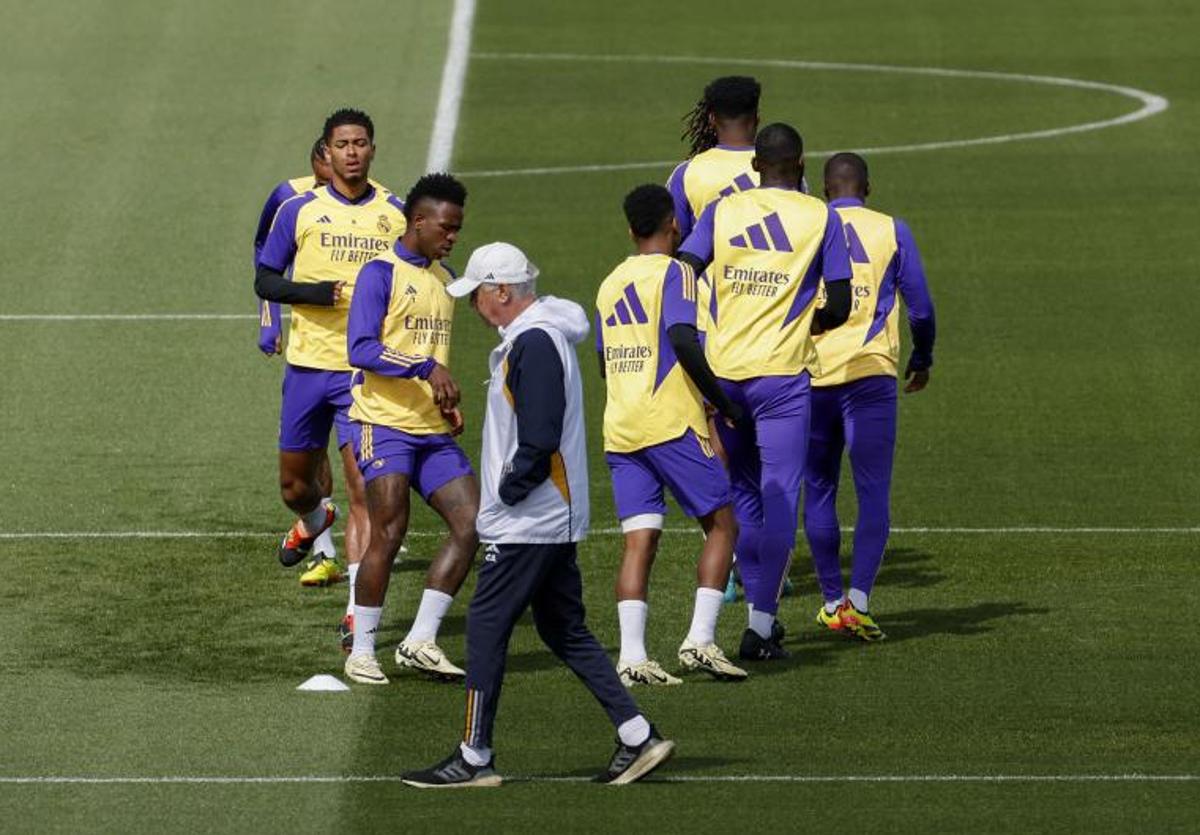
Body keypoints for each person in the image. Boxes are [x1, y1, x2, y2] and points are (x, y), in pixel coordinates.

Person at [402, 243, 673, 788]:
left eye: (478, 295)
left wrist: (506, 489)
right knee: (563, 628)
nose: (476, 307)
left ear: (501, 291)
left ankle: (474, 757)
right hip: (547, 515)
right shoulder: (537, 339)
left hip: (530, 519)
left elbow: (541, 434)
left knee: (484, 625)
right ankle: (637, 733)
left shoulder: (534, 343)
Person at [676, 123, 853, 662]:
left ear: (755, 167)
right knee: (780, 496)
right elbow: (842, 305)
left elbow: (684, 270)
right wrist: (807, 321)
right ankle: (759, 624)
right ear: (801, 166)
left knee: (745, 495)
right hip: (780, 381)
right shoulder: (821, 217)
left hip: (722, 374)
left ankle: (752, 602)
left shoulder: (722, 212)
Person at [255, 108, 407, 649]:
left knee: (363, 486)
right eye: (342, 144)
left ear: (372, 149)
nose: (351, 152)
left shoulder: (394, 213)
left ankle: (354, 613)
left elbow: (419, 277)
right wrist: (314, 295)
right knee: (295, 485)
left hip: (360, 373)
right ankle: (316, 518)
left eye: (361, 143)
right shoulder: (299, 209)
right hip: (307, 366)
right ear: (327, 150)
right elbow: (266, 278)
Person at [596, 184, 747, 686]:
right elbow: (682, 337)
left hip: (621, 428)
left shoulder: (610, 282)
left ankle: (632, 657)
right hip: (669, 423)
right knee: (723, 525)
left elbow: (603, 361)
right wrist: (722, 404)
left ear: (629, 229)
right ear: (674, 225)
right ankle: (700, 641)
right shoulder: (679, 272)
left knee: (639, 541)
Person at [342, 173, 479, 685]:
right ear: (418, 221)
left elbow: (431, 348)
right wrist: (426, 370)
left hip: (431, 428)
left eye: (457, 229)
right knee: (390, 530)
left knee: (470, 525)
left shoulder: (445, 279)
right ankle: (361, 650)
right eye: (446, 227)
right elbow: (361, 349)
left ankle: (420, 640)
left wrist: (442, 402)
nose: (452, 237)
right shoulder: (380, 273)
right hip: (384, 424)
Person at [803, 152, 937, 641]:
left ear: (823, 189)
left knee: (818, 487)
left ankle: (831, 600)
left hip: (813, 378)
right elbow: (920, 308)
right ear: (868, 188)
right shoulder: (892, 229)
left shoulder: (807, 225)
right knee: (872, 490)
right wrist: (921, 358)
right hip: (871, 376)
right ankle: (859, 600)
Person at [251, 138, 339, 573]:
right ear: (317, 163)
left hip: (355, 349)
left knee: (363, 462)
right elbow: (265, 258)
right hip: (310, 345)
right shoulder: (290, 197)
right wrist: (270, 318)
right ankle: (325, 548)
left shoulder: (375, 200)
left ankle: (349, 552)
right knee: (312, 453)